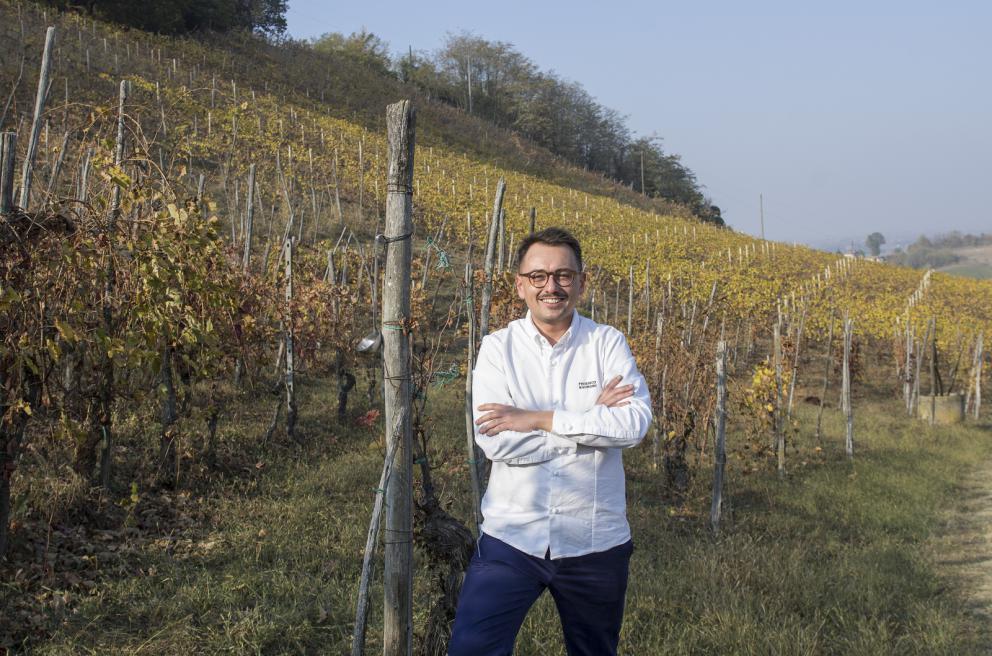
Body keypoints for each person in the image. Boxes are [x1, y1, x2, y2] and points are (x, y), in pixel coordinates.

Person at [448, 227, 653, 656]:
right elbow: (496, 443)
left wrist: (536, 419)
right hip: (512, 538)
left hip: (594, 540)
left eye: (563, 275)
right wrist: (591, 428)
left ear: (581, 281)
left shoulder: (607, 343)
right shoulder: (497, 349)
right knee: (471, 649)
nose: (551, 286)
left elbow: (633, 426)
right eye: (538, 276)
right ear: (520, 284)